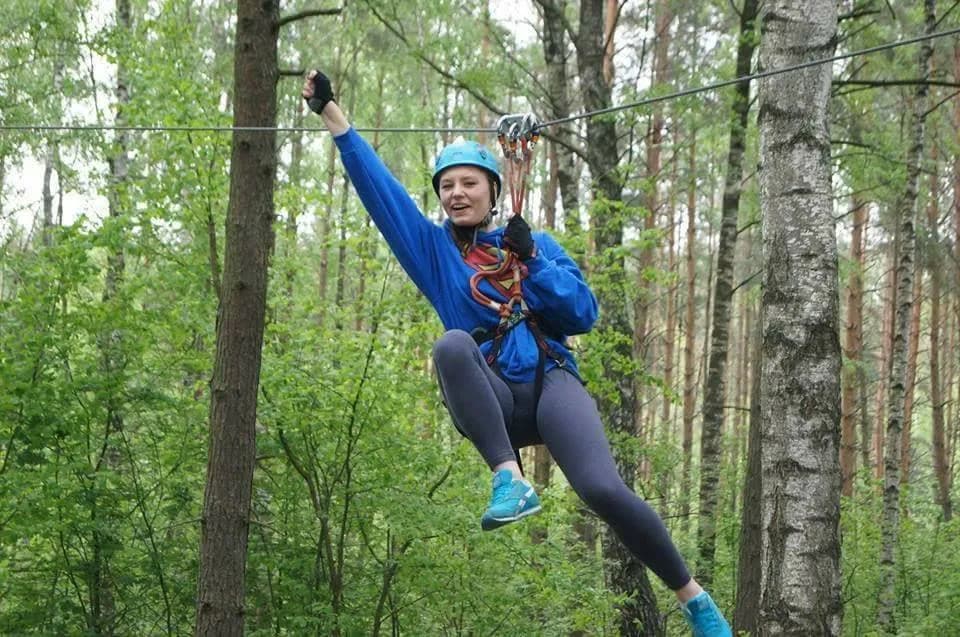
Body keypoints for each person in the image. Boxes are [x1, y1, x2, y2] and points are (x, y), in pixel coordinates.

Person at [302, 70, 732, 637]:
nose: (456, 193)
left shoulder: (533, 244)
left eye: (469, 183)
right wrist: (334, 116)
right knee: (452, 345)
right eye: (446, 186)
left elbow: (583, 314)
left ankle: (695, 600)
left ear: (492, 191)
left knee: (603, 489)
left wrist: (531, 260)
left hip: (553, 382)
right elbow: (380, 193)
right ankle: (510, 478)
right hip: (493, 396)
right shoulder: (433, 253)